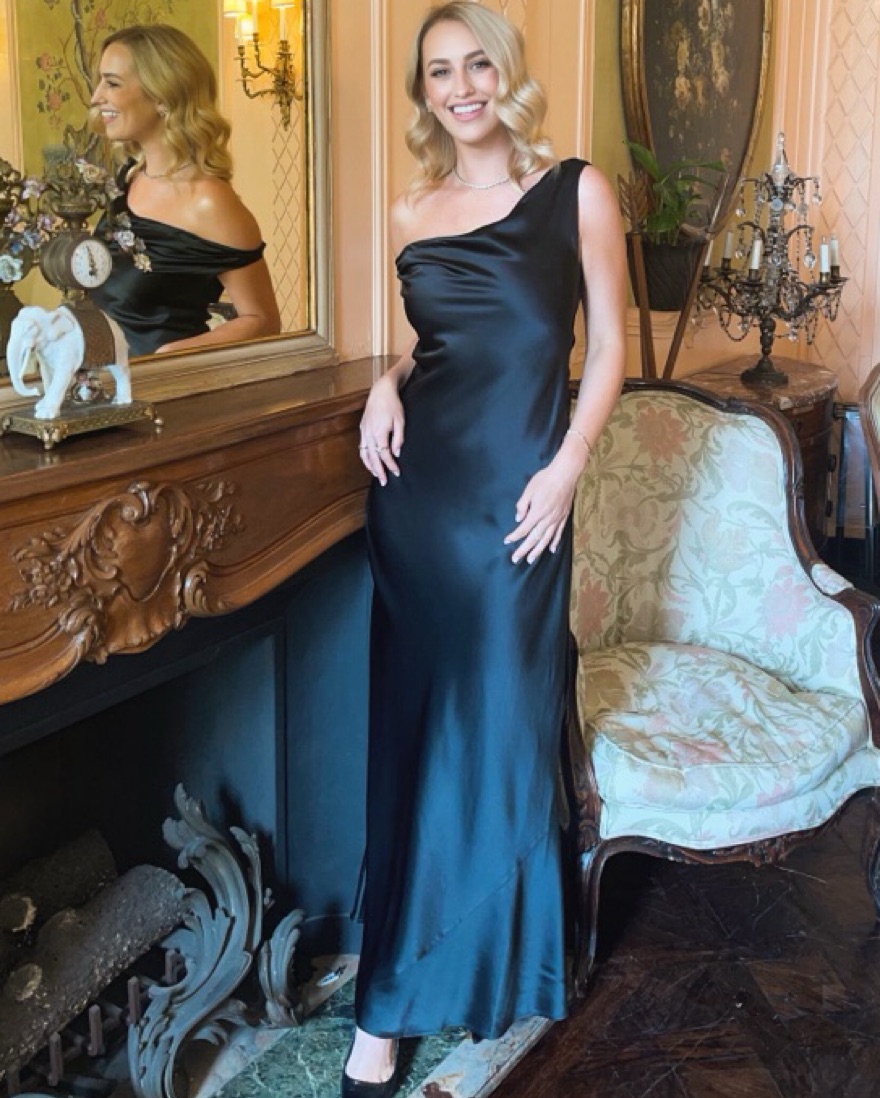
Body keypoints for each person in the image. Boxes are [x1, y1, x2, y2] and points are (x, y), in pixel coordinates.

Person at [346, 4, 627, 1095]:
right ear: (423, 93)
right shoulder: (410, 210)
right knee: (420, 740)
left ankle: (486, 968)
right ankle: (385, 1009)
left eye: (476, 65)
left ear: (505, 74)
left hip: (522, 503)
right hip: (419, 502)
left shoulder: (576, 191)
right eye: (438, 72)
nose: (460, 87)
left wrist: (568, 464)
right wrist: (385, 381)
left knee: (500, 732)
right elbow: (435, 346)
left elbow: (606, 345)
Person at [88, 24, 281, 356]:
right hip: (105, 379)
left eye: (113, 83)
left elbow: (262, 320)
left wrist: (169, 358)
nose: (96, 97)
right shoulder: (129, 178)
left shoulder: (209, 202)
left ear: (162, 95)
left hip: (167, 384)